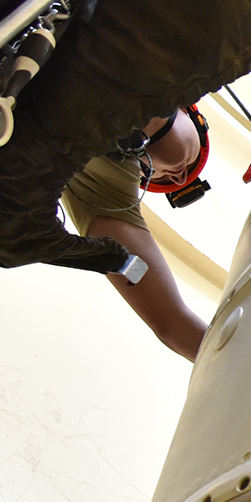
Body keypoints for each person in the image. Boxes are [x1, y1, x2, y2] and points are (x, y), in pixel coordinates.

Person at [62, 107, 210, 361]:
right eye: (194, 160)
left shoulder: (104, 190)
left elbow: (171, 321)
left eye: (153, 174)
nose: (180, 177)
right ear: (191, 111)